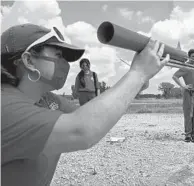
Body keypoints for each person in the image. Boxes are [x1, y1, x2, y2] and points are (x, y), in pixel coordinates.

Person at [1, 23, 170, 186]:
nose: (66, 64)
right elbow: (82, 130)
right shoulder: (5, 107)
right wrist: (138, 74)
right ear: (29, 61)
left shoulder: (46, 99)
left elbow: (92, 115)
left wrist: (135, 85)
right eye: (59, 56)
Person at [172, 49, 194, 143]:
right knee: (189, 115)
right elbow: (175, 76)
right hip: (189, 93)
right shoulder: (185, 67)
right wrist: (183, 86)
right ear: (189, 57)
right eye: (193, 56)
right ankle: (188, 135)